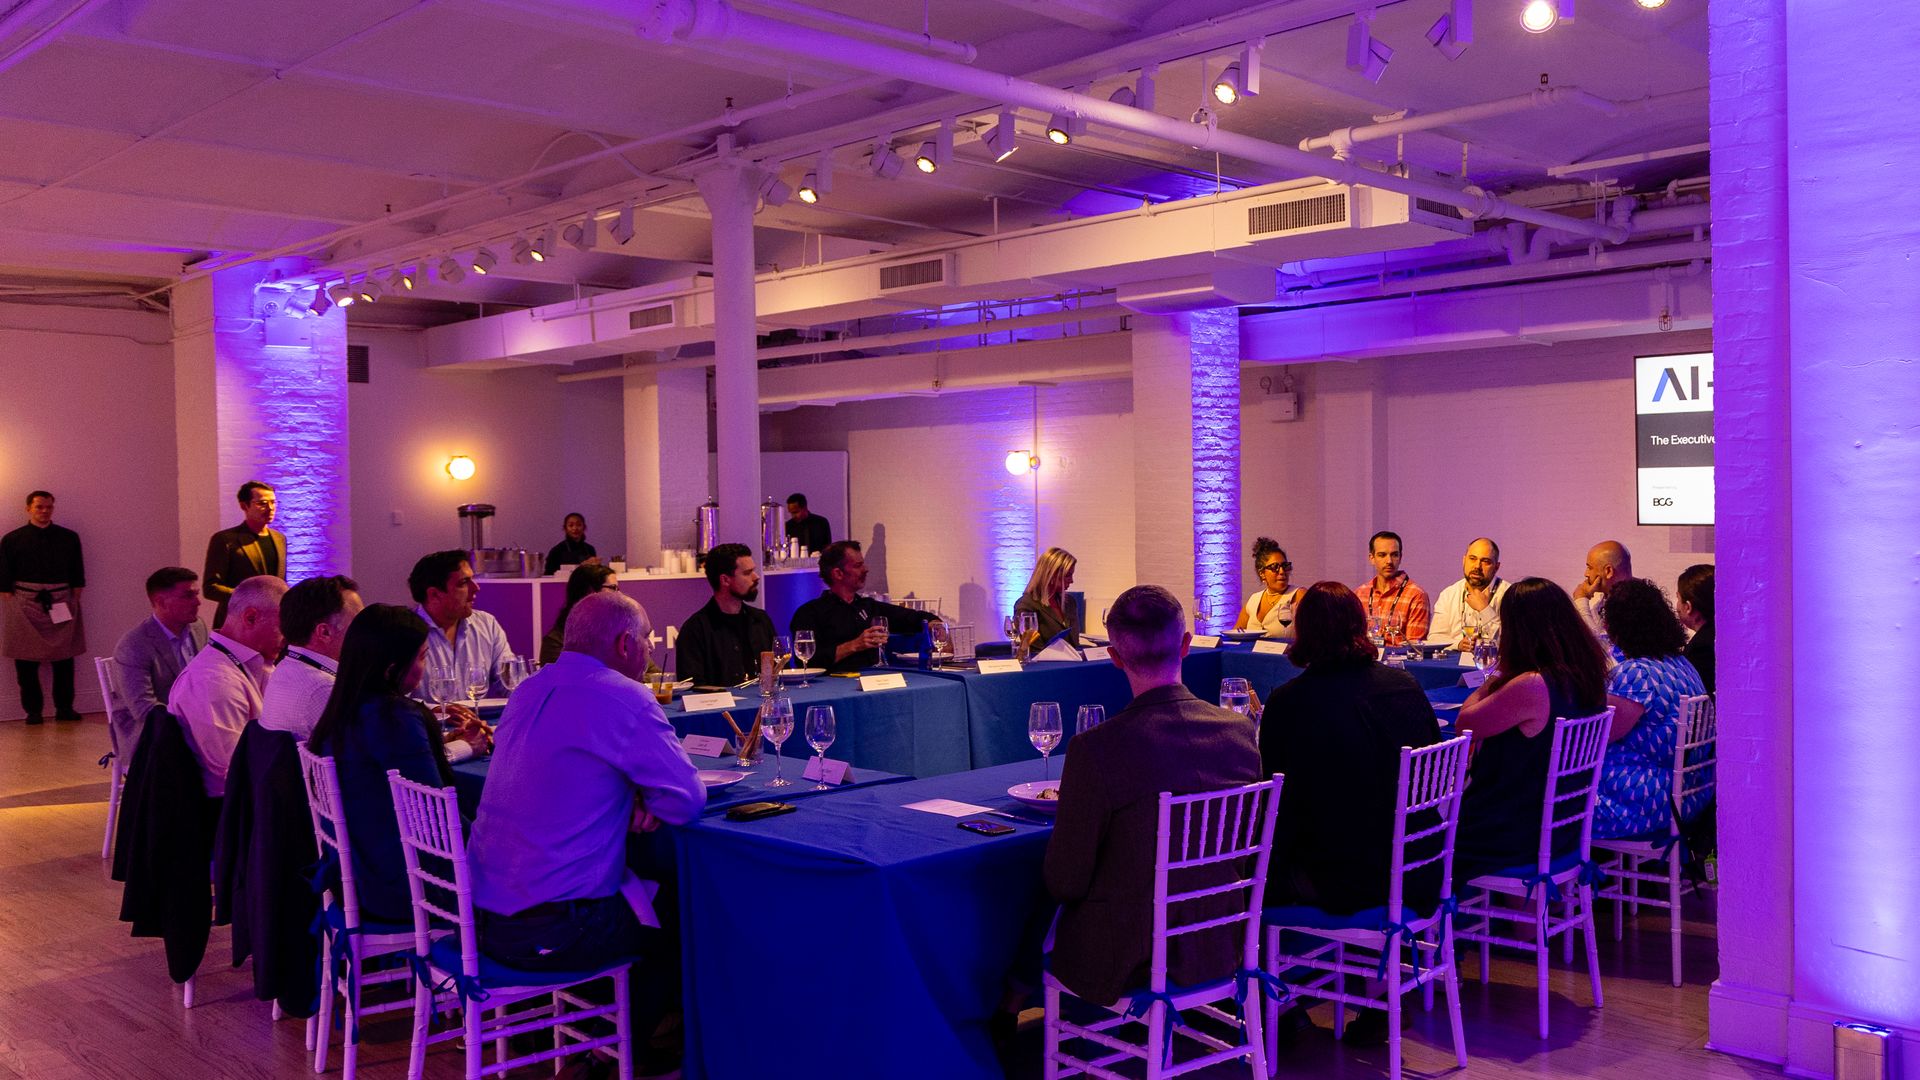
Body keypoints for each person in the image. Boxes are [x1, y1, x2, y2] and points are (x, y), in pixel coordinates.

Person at [470, 592, 703, 1060]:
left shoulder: (528, 689)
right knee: (691, 917)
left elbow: (569, 775)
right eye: (646, 641)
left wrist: (627, 793)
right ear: (623, 644)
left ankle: (583, 1038)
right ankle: (612, 1056)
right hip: (553, 931)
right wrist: (643, 795)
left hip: (483, 921)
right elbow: (687, 802)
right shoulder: (624, 696)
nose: (650, 652)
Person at [1043, 584, 1262, 1006]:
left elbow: (1064, 881)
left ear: (1114, 656)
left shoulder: (1096, 748)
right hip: (1219, 941)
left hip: (1128, 959)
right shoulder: (1240, 733)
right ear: (1185, 645)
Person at [1260, 581, 1444, 915]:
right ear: (1359, 625)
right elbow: (1431, 778)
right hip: (1421, 864)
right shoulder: (1405, 686)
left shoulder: (1289, 702)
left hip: (1344, 877)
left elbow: (1275, 797)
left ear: (1304, 632)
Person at [306, 604, 480, 927]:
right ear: (390, 669)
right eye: (423, 657)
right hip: (402, 888)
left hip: (356, 875)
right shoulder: (394, 718)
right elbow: (437, 816)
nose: (424, 668)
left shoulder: (341, 710)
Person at [1453, 577, 1611, 879]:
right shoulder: (1586, 675)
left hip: (1517, 831)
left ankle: (1445, 922)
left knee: (1421, 838)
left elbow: (1466, 724)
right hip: (1563, 826)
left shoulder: (1532, 685)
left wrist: (1498, 675)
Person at [1595, 579, 1710, 839]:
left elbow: (1598, 739)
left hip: (1646, 800)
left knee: (1551, 794)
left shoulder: (1635, 674)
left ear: (1617, 628)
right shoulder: (1680, 663)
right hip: (1691, 792)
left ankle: (1567, 873)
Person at [167, 575, 286, 798]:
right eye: (284, 626)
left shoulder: (252, 663)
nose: (288, 637)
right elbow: (230, 777)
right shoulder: (214, 681)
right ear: (251, 618)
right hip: (227, 818)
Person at [789, 540, 941, 673]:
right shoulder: (809, 614)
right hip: (831, 689)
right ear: (838, 574)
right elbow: (806, 661)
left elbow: (913, 618)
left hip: (875, 683)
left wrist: (935, 625)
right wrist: (855, 645)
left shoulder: (869, 607)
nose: (866, 569)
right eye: (858, 565)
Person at [0, 491, 87, 723]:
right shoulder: (11, 539)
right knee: (25, 661)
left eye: (48, 507)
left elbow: (77, 574)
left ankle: (65, 709)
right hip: (24, 602)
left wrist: (71, 598)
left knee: (64, 659)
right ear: (28, 508)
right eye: (39, 507)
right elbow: (4, 580)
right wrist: (14, 603)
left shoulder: (69, 537)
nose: (44, 511)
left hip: (61, 600)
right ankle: (33, 712)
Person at [111, 567, 209, 752]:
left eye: (196, 594)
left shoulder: (198, 627)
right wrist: (194, 724)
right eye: (188, 596)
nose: (198, 602)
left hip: (194, 723)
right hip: (149, 733)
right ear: (160, 601)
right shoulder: (134, 645)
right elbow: (144, 710)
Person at [259, 574, 363, 740]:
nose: (364, 631)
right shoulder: (324, 689)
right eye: (358, 623)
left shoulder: (285, 669)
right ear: (325, 632)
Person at [408, 550, 519, 699]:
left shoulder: (487, 625)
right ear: (434, 594)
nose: (476, 588)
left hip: (478, 720)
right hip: (427, 722)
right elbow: (393, 700)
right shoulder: (404, 633)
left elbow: (510, 684)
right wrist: (432, 711)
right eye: (464, 583)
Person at [676, 542, 776, 686]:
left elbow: (780, 671)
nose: (756, 577)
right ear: (725, 580)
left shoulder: (761, 620)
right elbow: (692, 685)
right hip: (721, 707)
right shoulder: (695, 629)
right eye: (747, 573)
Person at [204, 481, 288, 630]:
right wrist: (252, 598)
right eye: (262, 503)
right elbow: (211, 588)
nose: (270, 508)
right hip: (238, 622)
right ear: (244, 506)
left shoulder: (279, 539)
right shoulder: (225, 539)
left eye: (273, 502)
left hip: (272, 623)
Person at [1428, 537, 1511, 649]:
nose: (1477, 566)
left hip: (1494, 663)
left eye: (1485, 561)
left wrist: (1485, 609)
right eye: (1472, 559)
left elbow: (1509, 642)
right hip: (1453, 663)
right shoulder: (1449, 594)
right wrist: (1457, 644)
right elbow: (1434, 638)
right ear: (1464, 560)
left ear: (1496, 567)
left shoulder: (1510, 594)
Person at [1356, 531, 1430, 644]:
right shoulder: (1360, 594)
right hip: (1364, 660)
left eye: (1394, 555)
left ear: (1400, 558)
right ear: (1371, 558)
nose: (1389, 561)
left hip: (1400, 661)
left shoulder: (1416, 595)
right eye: (1382, 555)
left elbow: (1414, 647)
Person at [540, 563, 621, 665]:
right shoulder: (557, 642)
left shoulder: (619, 631)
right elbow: (558, 678)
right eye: (613, 588)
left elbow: (645, 669)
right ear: (590, 591)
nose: (619, 595)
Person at [1233, 536, 1302, 640]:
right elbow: (1236, 634)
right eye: (1275, 567)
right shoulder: (1254, 599)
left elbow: (1314, 635)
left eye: (1285, 566)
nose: (1282, 571)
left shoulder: (1298, 595)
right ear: (1262, 573)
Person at [1012, 547, 1079, 648]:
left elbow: (1074, 643)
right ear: (1051, 574)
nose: (1071, 581)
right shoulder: (1026, 605)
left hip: (1074, 661)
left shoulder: (1070, 602)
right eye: (1067, 575)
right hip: (1045, 662)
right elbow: (1033, 648)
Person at [1573, 540, 1634, 640]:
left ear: (1608, 571)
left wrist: (1581, 599)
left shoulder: (1637, 604)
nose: (1586, 574)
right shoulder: (1604, 600)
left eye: (1590, 568)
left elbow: (1602, 647)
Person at [1677, 563, 1715, 695]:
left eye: (1678, 598)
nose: (1676, 607)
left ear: (1688, 607)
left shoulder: (1700, 649)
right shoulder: (1722, 635)